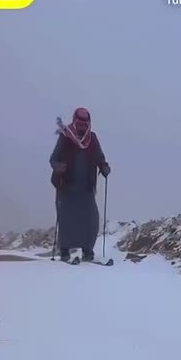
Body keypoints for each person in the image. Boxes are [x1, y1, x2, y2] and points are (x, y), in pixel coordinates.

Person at [49, 108, 110, 262]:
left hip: (86, 187)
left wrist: (104, 166)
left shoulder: (92, 138)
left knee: (90, 220)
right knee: (66, 219)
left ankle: (87, 251)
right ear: (75, 122)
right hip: (67, 186)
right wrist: (58, 167)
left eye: (85, 124)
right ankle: (64, 251)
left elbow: (99, 157)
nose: (82, 126)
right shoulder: (65, 137)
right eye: (79, 123)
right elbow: (54, 158)